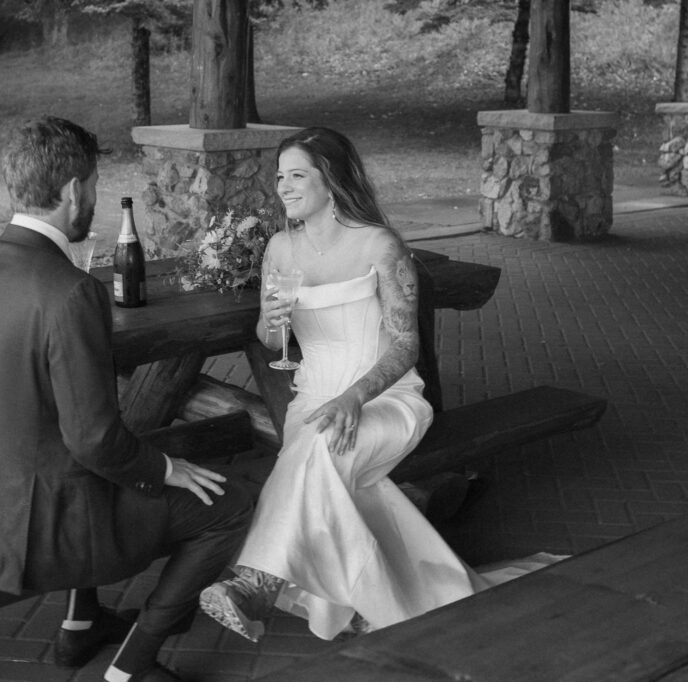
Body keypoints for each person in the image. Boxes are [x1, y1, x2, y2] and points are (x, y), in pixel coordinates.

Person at [0, 116, 254, 681]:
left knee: (106, 456)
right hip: (50, 527)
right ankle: (133, 666)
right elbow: (93, 439)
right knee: (230, 505)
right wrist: (167, 468)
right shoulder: (70, 293)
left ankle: (81, 623)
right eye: (92, 184)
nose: (92, 196)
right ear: (73, 191)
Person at [199, 126, 559, 642]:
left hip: (386, 398)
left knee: (319, 450)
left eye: (297, 175)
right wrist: (273, 322)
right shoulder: (280, 248)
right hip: (313, 396)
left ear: (332, 179)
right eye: (280, 176)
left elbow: (405, 345)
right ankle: (375, 603)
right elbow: (269, 335)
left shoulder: (379, 245)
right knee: (326, 462)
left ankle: (259, 579)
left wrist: (355, 398)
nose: (283, 186)